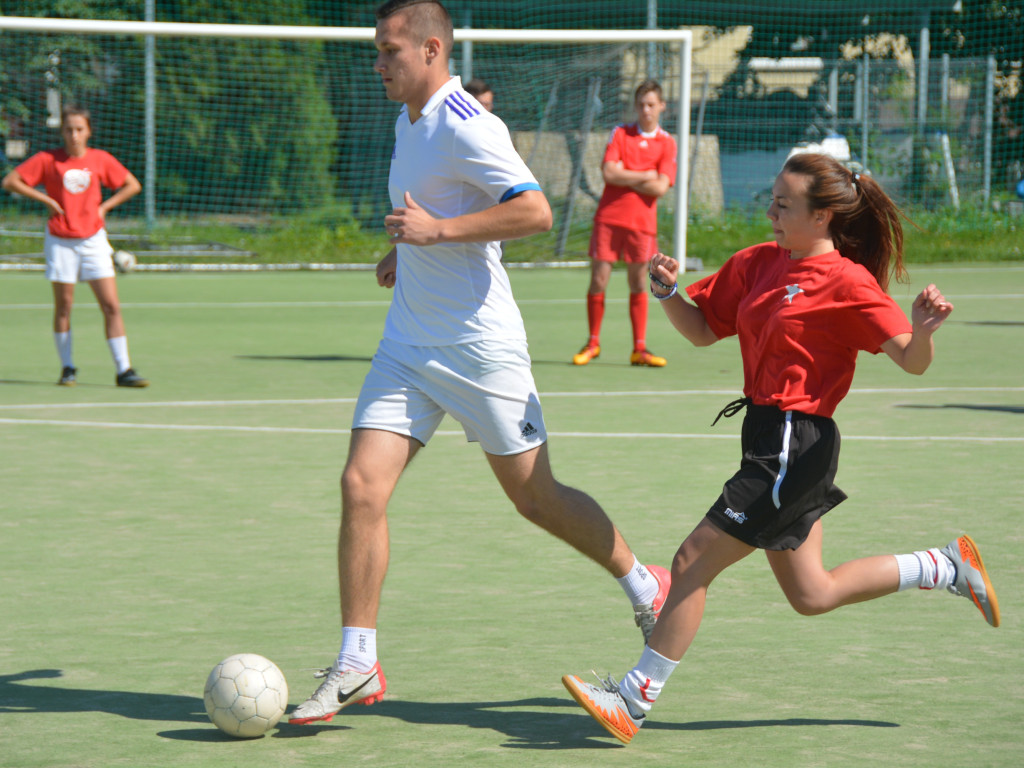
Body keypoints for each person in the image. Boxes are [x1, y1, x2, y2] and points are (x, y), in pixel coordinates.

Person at [289, 0, 669, 726]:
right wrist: (402, 249)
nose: (379, 63)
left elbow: (532, 212)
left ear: (432, 50)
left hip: (479, 345)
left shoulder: (469, 121)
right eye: (377, 50)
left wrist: (437, 232)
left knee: (536, 498)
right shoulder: (406, 119)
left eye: (389, 51)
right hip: (408, 342)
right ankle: (358, 661)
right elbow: (428, 211)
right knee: (361, 485)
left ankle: (644, 586)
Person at [562, 152, 1000, 745]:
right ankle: (946, 566)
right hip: (766, 439)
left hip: (797, 445)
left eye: (783, 204)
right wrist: (666, 291)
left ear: (822, 218)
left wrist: (922, 330)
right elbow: (699, 329)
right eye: (771, 199)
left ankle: (633, 702)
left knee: (691, 563)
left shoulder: (848, 281)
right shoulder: (758, 263)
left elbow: (911, 361)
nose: (769, 211)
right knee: (811, 594)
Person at [2, 105, 148, 388]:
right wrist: (45, 200)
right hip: (60, 241)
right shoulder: (48, 159)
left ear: (88, 131)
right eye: (69, 130)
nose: (74, 135)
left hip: (93, 240)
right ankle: (67, 368)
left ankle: (124, 370)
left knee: (111, 305)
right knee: (64, 306)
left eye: (79, 129)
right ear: (62, 132)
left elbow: (132, 185)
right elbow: (10, 181)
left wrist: (105, 207)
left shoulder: (100, 159)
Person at [572, 80, 677, 368]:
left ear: (661, 106)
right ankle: (593, 343)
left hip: (642, 224)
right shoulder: (620, 133)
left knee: (637, 282)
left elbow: (660, 188)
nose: (646, 110)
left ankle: (639, 349)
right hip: (609, 219)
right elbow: (608, 173)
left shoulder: (667, 142)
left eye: (651, 104)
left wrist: (626, 174)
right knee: (598, 280)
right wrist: (645, 174)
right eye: (641, 104)